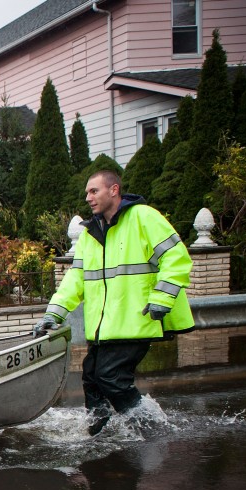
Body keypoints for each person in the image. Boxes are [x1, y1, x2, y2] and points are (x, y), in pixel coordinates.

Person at [33, 170, 194, 435]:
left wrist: (162, 299)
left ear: (114, 190)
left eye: (94, 191)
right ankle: (100, 431)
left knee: (111, 377)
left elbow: (176, 258)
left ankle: (149, 429)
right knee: (92, 378)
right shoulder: (92, 233)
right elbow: (76, 279)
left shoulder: (143, 217)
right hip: (104, 326)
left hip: (136, 320)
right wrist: (54, 314)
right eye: (87, 192)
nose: (88, 197)